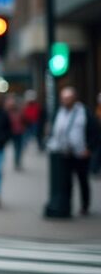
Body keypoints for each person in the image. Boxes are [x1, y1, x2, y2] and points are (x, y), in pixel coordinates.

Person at [45, 86, 96, 215]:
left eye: (68, 98)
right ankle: (67, 206)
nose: (66, 101)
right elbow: (55, 131)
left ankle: (85, 205)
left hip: (80, 153)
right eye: (64, 98)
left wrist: (89, 148)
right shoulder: (60, 112)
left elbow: (94, 132)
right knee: (66, 181)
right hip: (64, 153)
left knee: (82, 180)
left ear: (74, 98)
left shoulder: (84, 112)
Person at [4, 94, 26, 170]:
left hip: (20, 131)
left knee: (19, 148)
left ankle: (18, 161)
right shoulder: (7, 112)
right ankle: (17, 162)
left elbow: (24, 119)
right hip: (13, 132)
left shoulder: (19, 110)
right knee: (16, 147)